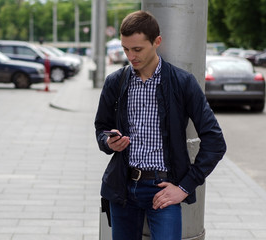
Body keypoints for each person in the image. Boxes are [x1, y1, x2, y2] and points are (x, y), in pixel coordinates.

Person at [95, 10, 226, 240]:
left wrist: (184, 187)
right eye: (126, 49)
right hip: (122, 187)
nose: (130, 56)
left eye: (137, 49)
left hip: (163, 188)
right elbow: (101, 129)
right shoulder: (115, 82)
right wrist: (109, 142)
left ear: (157, 42)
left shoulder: (182, 82)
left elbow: (215, 142)